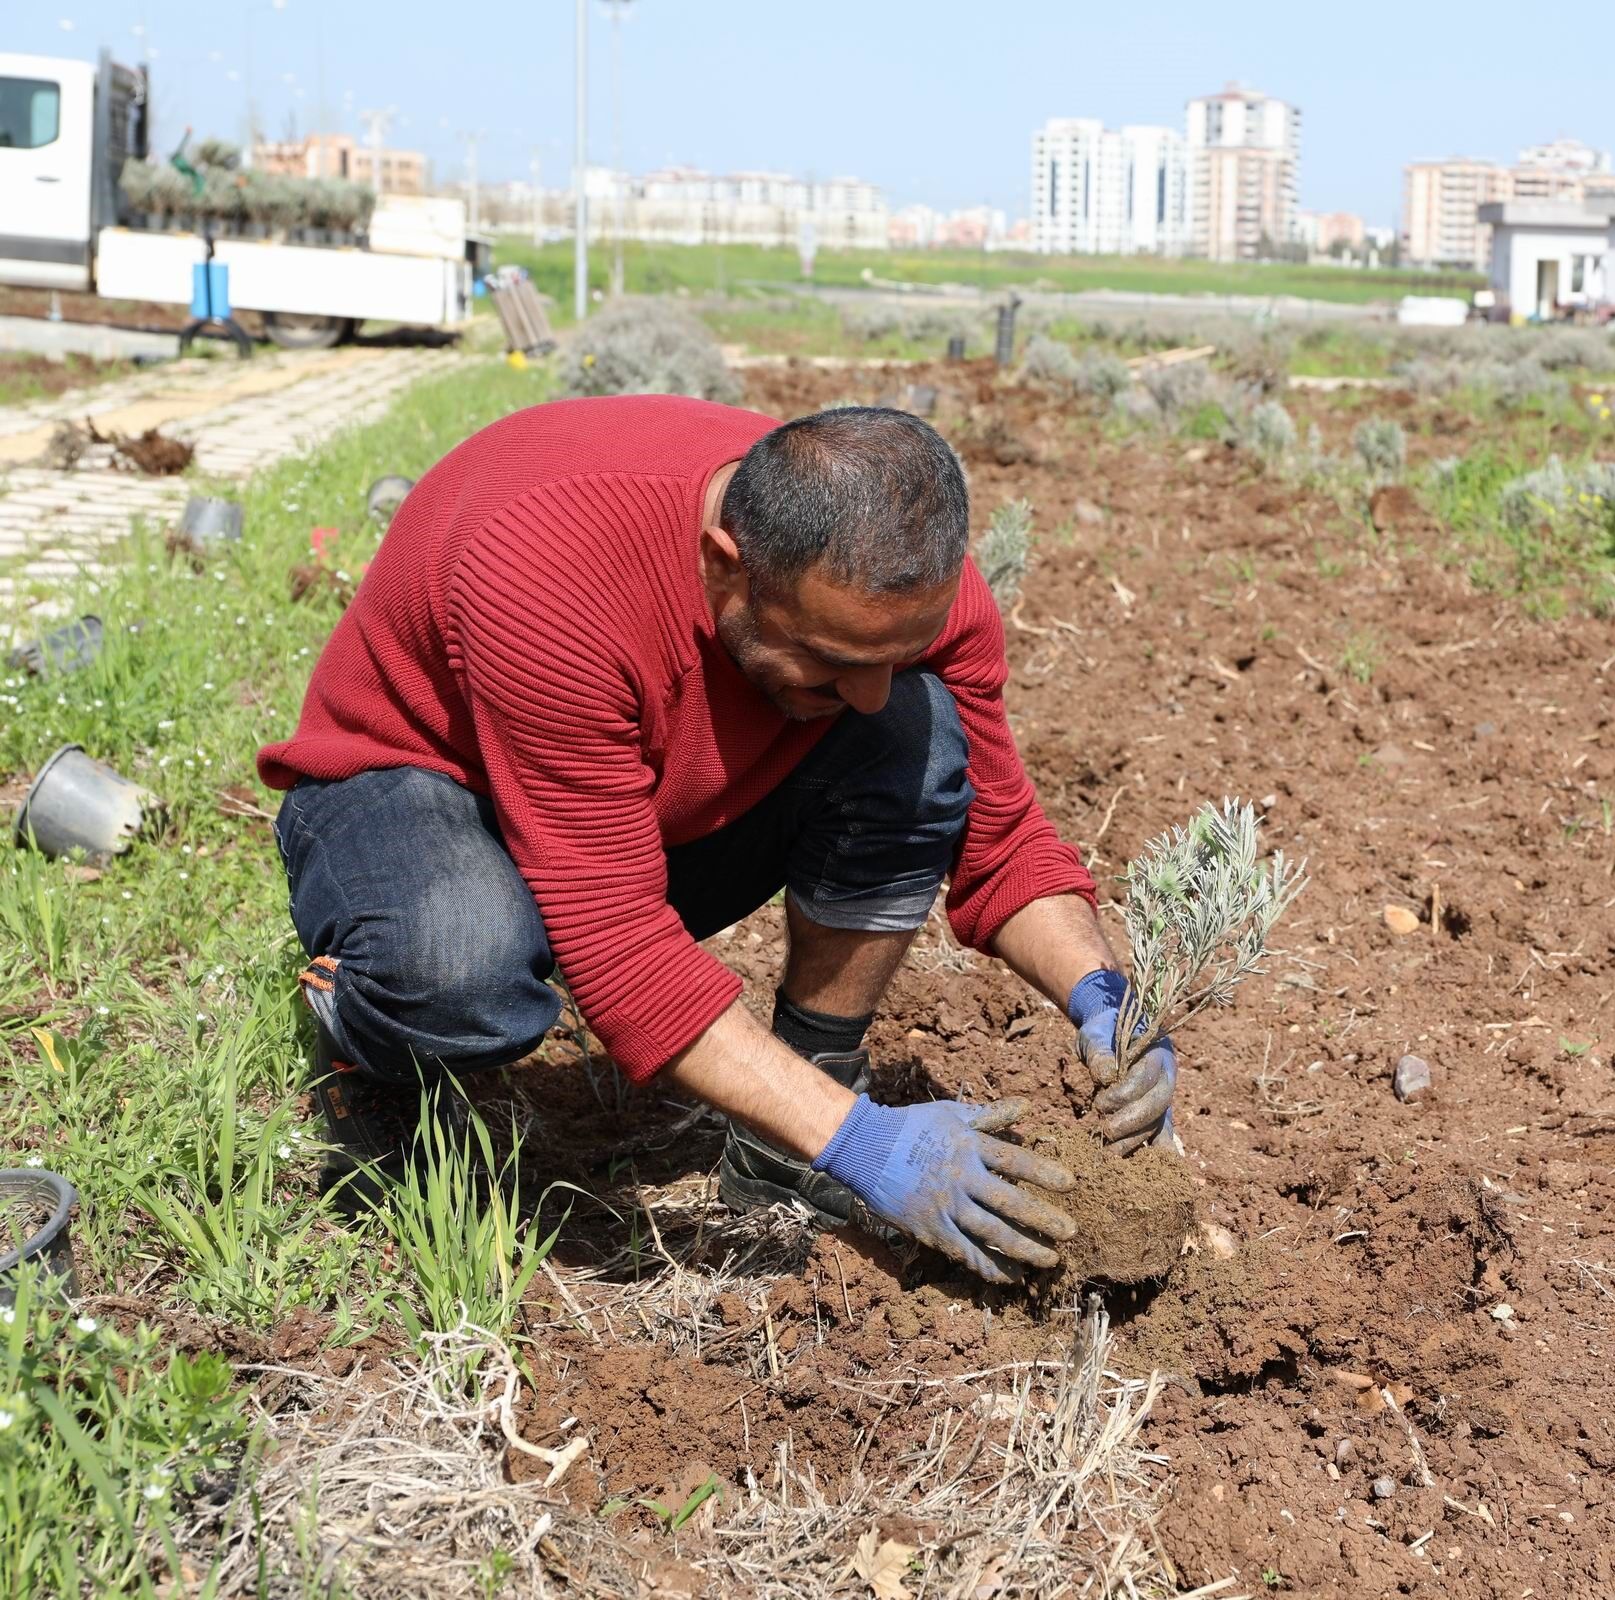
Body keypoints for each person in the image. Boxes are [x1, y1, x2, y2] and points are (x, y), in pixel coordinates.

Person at [256, 396, 1176, 1284]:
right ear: (724, 564)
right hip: (420, 786)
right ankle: (367, 1038)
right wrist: (864, 1142)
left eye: (892, 657)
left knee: (917, 733)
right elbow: (615, 940)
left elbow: (1001, 834)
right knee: (457, 967)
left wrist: (1106, 998)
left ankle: (794, 1120)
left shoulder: (897, 590)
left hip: (637, 808)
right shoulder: (550, 570)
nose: (868, 692)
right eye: (831, 663)